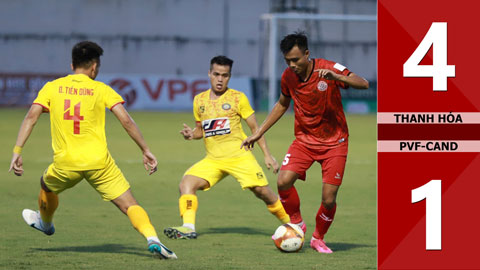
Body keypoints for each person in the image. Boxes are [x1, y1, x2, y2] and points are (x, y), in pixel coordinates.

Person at [8, 41, 177, 259]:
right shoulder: (101, 89)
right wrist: (145, 149)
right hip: (100, 164)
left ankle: (46, 223)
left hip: (66, 164)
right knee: (129, 205)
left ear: (71, 65)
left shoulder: (52, 87)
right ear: (95, 67)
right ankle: (153, 239)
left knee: (46, 185)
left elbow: (31, 116)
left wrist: (17, 151)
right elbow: (126, 121)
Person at [242, 32, 369, 253]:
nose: (292, 65)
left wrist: (338, 78)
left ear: (307, 54)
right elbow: (282, 104)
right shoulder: (288, 77)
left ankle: (318, 238)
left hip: (335, 142)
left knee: (328, 199)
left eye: (296, 60)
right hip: (304, 141)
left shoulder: (328, 67)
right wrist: (258, 132)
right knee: (283, 181)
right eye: (287, 61)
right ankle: (297, 222)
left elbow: (363, 83)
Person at [163, 55, 290, 240]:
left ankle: (292, 224)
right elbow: (201, 131)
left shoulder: (238, 98)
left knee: (263, 193)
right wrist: (192, 134)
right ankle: (188, 227)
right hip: (213, 160)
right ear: (209, 74)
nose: (220, 79)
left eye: (225, 75)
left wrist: (267, 155)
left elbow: (256, 129)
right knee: (186, 184)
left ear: (229, 76)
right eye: (216, 74)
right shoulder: (199, 100)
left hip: (240, 156)